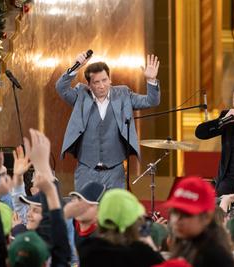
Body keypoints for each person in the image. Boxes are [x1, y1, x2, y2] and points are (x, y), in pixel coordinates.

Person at [56, 52, 160, 190]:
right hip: (86, 169)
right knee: (85, 209)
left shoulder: (123, 94)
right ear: (89, 84)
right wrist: (75, 67)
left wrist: (151, 80)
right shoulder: (81, 95)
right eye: (96, 82)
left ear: (110, 79)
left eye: (104, 80)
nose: (101, 86)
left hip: (115, 170)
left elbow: (151, 101)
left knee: (114, 209)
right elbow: (60, 88)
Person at [164, 176, 234, 267]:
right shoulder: (183, 242)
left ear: (206, 217)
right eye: (175, 212)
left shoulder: (217, 257)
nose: (177, 220)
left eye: (187, 214)